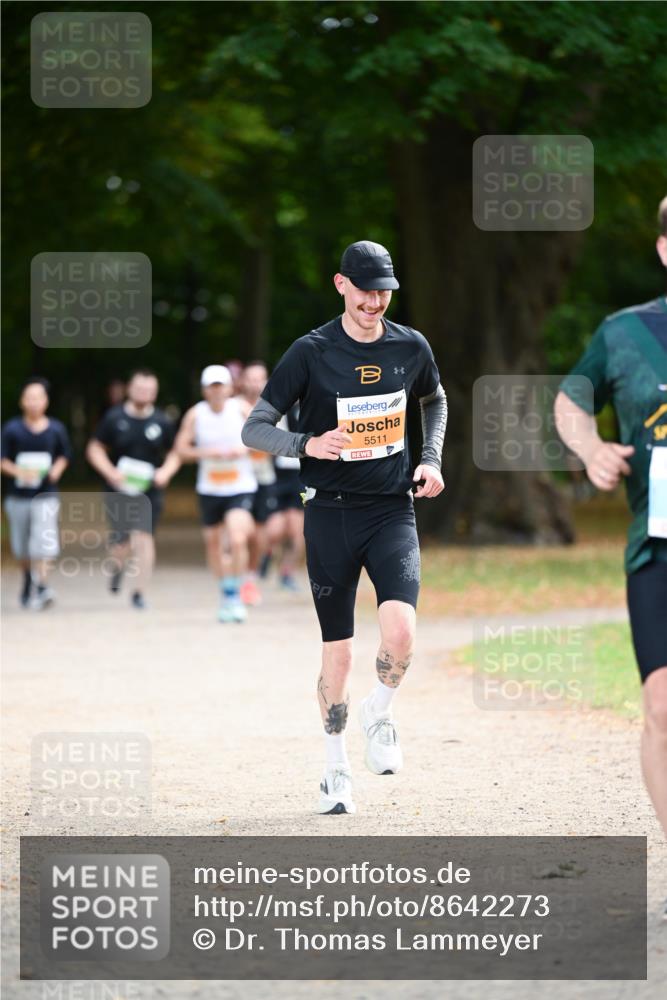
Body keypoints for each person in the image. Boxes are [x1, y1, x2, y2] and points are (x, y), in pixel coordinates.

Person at [242, 240, 447, 814]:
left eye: (383, 292)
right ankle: (335, 767)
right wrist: (308, 443)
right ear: (341, 285)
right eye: (364, 290)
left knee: (401, 634)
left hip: (391, 508)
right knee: (339, 654)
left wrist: (429, 458)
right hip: (329, 512)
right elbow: (255, 429)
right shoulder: (310, 352)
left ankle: (379, 711)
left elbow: (436, 399)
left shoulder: (411, 346)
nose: (374, 302)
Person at [555, 195, 667, 849]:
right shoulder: (623, 332)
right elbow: (570, 400)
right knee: (660, 707)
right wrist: (591, 448)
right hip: (655, 551)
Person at [86, 369, 180, 610]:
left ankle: (139, 592)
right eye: (140, 389)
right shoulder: (113, 418)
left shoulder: (161, 421)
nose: (144, 394)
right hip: (118, 489)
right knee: (120, 542)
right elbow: (94, 449)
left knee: (144, 537)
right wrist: (110, 471)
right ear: (130, 389)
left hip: (149, 490)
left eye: (150, 390)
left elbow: (174, 453)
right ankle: (117, 567)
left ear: (155, 392)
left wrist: (165, 472)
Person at [175, 365, 257, 623]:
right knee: (212, 542)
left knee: (236, 538)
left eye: (221, 386)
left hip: (239, 486)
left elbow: (265, 438)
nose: (217, 391)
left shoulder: (242, 409)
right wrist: (209, 453)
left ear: (230, 388)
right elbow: (181, 449)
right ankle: (227, 593)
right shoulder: (195, 415)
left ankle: (237, 592)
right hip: (210, 488)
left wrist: (242, 450)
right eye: (212, 387)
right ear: (204, 390)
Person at [1, 377, 72, 609]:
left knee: (45, 540)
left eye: (38, 398)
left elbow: (64, 455)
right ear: (22, 401)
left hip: (46, 495)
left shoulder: (56, 429)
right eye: (29, 398)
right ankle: (27, 580)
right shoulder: (11, 429)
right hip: (18, 496)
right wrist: (19, 471)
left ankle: (42, 584)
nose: (33, 403)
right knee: (22, 546)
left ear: (46, 401)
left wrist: (56, 471)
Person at [237, 360, 278, 606]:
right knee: (236, 531)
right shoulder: (233, 408)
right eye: (250, 378)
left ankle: (250, 578)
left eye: (259, 378)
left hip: (264, 478)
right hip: (236, 480)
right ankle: (233, 579)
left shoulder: (275, 407)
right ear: (242, 381)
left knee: (261, 532)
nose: (254, 383)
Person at [263, 404, 305, 591]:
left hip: (301, 475)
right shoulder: (275, 408)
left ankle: (287, 572)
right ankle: (266, 554)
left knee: (297, 532)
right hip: (278, 477)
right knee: (274, 530)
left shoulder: (311, 405)